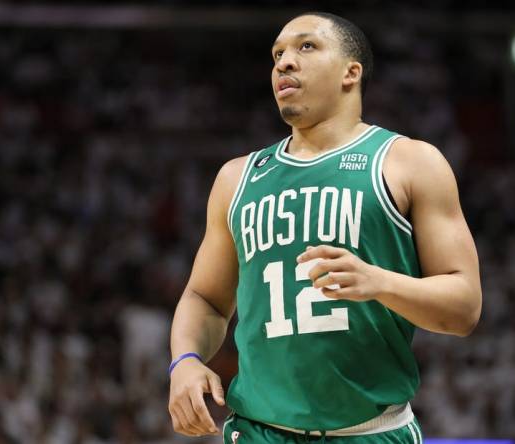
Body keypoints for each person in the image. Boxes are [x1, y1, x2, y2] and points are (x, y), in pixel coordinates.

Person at [168, 11, 482, 443]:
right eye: (277, 53)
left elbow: (464, 306)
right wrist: (184, 359)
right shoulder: (236, 178)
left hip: (371, 431)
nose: (284, 62)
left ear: (351, 72)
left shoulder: (410, 162)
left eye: (306, 46)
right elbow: (205, 297)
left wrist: (379, 282)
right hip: (260, 431)